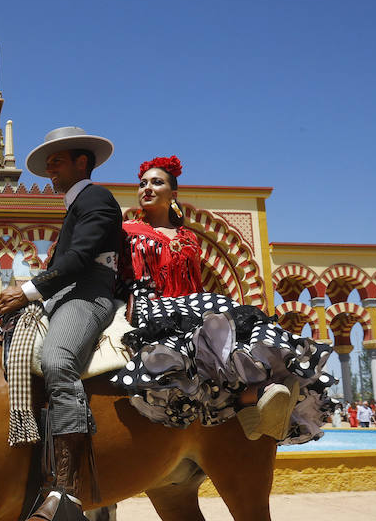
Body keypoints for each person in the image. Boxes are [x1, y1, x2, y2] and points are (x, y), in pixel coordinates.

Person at [109, 154, 330, 445]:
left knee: (233, 315)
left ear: (173, 194)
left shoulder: (188, 237)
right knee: (217, 311)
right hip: (148, 304)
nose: (146, 188)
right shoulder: (127, 231)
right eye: (142, 183)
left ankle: (263, 389)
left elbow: (193, 283)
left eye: (156, 182)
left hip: (186, 303)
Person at [0, 127, 125, 521]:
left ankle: (65, 492)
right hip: (63, 295)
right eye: (48, 162)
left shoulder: (96, 198)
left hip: (88, 295)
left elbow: (82, 259)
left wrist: (28, 290)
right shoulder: (76, 205)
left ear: (82, 162)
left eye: (57, 160)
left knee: (56, 359)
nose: (49, 169)